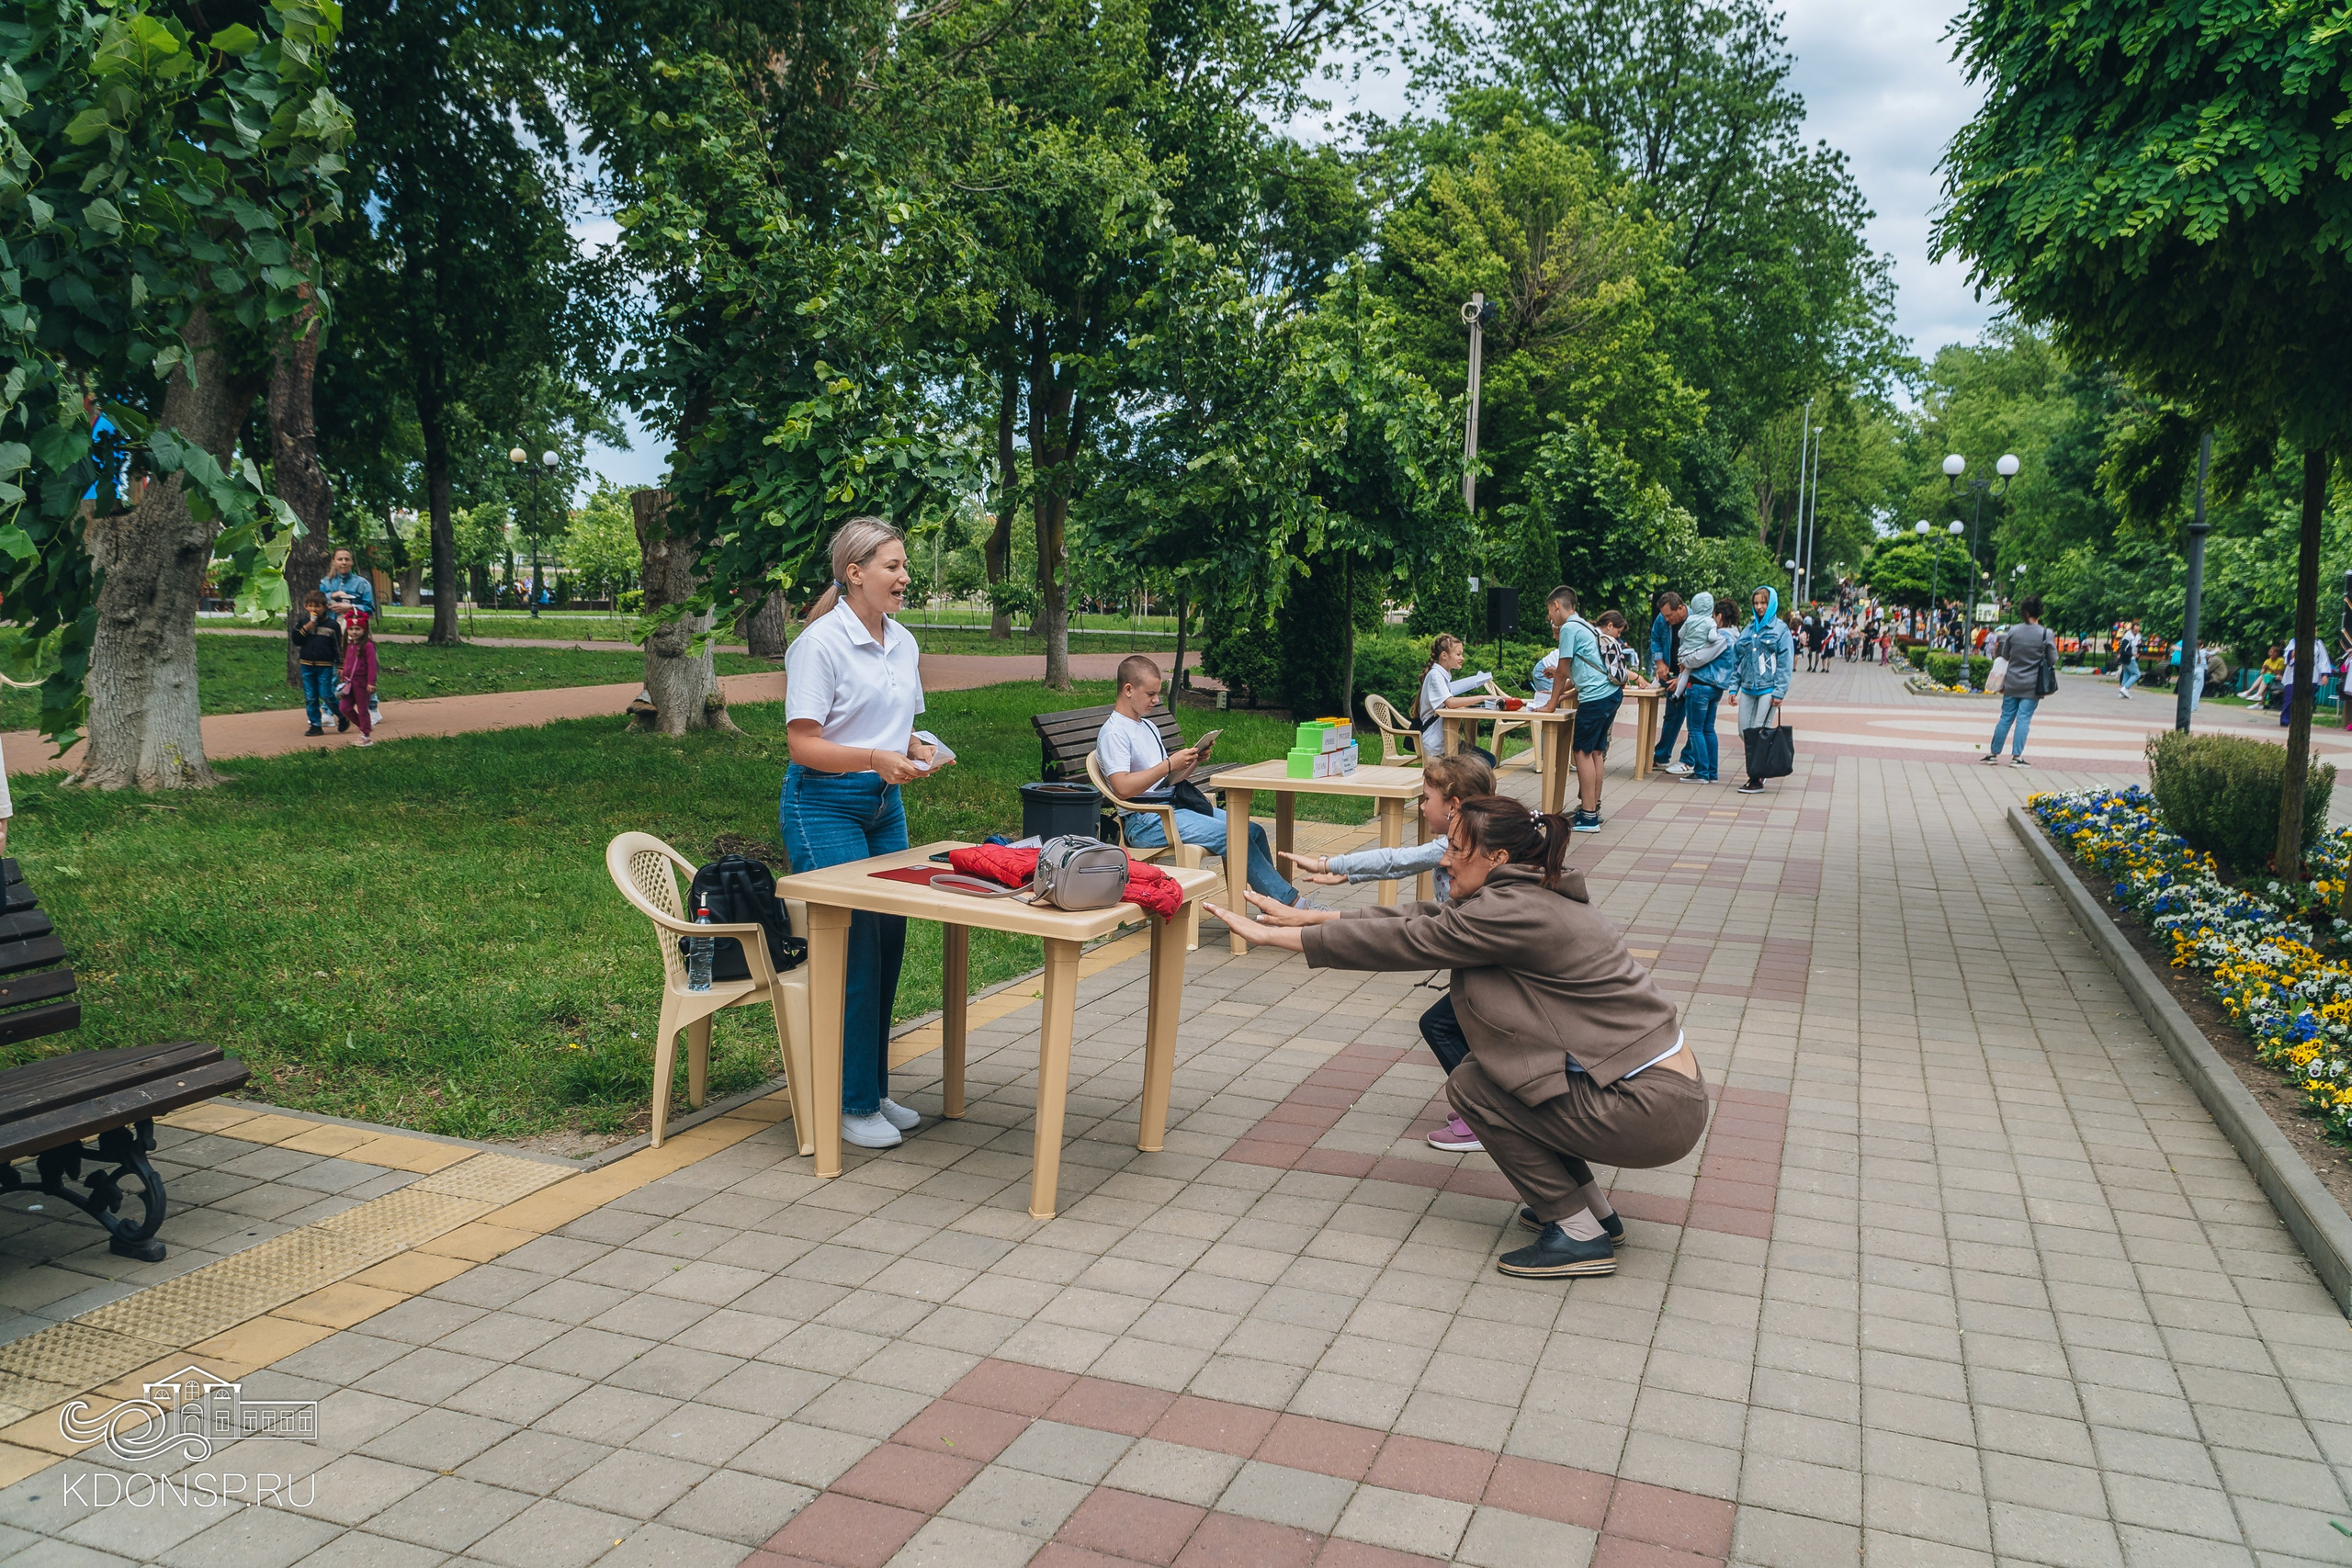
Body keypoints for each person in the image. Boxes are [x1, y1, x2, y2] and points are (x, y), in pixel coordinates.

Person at [1203, 796, 1706, 1280]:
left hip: (1653, 1110)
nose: (1444, 860)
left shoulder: (1513, 911)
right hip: (1656, 1096)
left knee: (1477, 1088)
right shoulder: (1528, 893)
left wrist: (1277, 937)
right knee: (1511, 1080)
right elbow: (1431, 920)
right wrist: (1315, 917)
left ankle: (1577, 1234)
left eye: (1457, 849)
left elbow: (1413, 940)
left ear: (1498, 857)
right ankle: (1594, 1216)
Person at [783, 517, 952, 1151]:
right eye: (892, 566)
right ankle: (850, 1103)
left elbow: (896, 726)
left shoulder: (902, 643)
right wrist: (876, 759)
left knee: (889, 938)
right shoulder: (819, 645)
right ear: (854, 572)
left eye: (905, 566)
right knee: (853, 947)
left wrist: (920, 748)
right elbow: (803, 743)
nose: (905, 576)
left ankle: (870, 1086)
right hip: (823, 803)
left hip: (884, 804)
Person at [1100, 654, 1301, 905]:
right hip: (1145, 822)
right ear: (1128, 689)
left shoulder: (1146, 725)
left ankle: (1270, 906)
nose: (1157, 700)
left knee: (1253, 831)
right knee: (1233, 834)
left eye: (1158, 693)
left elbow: (1167, 781)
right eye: (1151, 694)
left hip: (1172, 808)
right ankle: (1290, 905)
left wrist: (1194, 761)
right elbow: (1122, 788)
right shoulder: (1114, 733)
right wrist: (1168, 764)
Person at [1533, 586, 1619, 833]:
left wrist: (1551, 705)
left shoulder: (1569, 628)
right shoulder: (1586, 625)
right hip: (1610, 694)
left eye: (1550, 612)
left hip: (1594, 699)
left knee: (1581, 752)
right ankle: (1592, 809)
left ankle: (1588, 817)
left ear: (1557, 606)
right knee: (1595, 752)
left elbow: (1562, 669)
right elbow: (1577, 671)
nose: (1550, 618)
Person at [1733, 586, 1793, 795]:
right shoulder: (1748, 630)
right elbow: (1738, 661)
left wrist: (1780, 691)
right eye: (1756, 603)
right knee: (1744, 731)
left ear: (1771, 604)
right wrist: (1734, 687)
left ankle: (1756, 777)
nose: (1759, 607)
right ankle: (1762, 767)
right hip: (1749, 688)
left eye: (1763, 603)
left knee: (1759, 733)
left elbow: (1785, 664)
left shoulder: (1781, 630)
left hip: (1769, 690)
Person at [1983, 595, 2055, 766]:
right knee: (2024, 719)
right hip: (2032, 685)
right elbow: (2053, 659)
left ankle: (1993, 754)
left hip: (2012, 682)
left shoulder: (2014, 631)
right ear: (2039, 612)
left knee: (2006, 717)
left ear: (2025, 611)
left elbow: (2006, 655)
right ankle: (2017, 757)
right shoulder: (2046, 633)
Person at [1678, 593, 1737, 784]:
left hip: (1702, 684)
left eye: (1714, 616)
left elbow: (1699, 658)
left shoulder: (1721, 637)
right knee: (1708, 729)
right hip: (1716, 687)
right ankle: (1711, 772)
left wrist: (1683, 659)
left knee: (1695, 729)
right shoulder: (1737, 635)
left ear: (1719, 616)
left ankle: (1702, 772)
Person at [1418, 635, 1496, 766]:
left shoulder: (1442, 675)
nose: (1462, 658)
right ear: (1444, 655)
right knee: (1485, 763)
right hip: (1437, 745)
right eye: (1458, 654)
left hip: (1446, 740)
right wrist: (1483, 697)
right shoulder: (1435, 676)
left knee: (1489, 760)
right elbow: (1450, 703)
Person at [289, 591, 342, 737]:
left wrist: (340, 664)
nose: (314, 609)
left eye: (318, 606)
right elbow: (296, 640)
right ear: (306, 607)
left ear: (325, 607)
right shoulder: (302, 623)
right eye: (311, 606)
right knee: (311, 696)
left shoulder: (332, 625)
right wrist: (305, 629)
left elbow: (338, 646)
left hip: (325, 665)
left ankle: (342, 715)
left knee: (326, 693)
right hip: (307, 664)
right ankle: (315, 724)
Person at [1648, 592, 1690, 774]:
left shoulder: (1697, 621)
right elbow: (1655, 638)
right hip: (1671, 675)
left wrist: (1682, 678)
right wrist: (1659, 662)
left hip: (1691, 677)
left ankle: (1690, 760)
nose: (1666, 619)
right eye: (1664, 615)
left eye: (1669, 615)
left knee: (1696, 722)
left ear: (1680, 608)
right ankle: (1662, 756)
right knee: (1671, 716)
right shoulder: (1662, 619)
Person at [337, 609, 378, 747]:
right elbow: (347, 660)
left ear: (364, 629)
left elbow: (372, 665)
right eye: (351, 629)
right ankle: (364, 726)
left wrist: (371, 682)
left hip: (362, 683)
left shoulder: (368, 645)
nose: (354, 632)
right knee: (344, 707)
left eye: (358, 629)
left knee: (362, 709)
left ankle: (366, 736)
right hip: (348, 682)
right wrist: (343, 669)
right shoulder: (350, 644)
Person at [2280, 633, 2336, 728]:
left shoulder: (2318, 644)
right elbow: (2288, 657)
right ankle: (2285, 720)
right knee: (2290, 698)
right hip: (2294, 674)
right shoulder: (2294, 641)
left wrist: (2324, 675)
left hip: (2312, 674)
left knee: (2307, 698)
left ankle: (2303, 721)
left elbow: (2323, 660)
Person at [2117, 624, 2142, 697]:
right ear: (2131, 629)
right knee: (2137, 674)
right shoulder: (2127, 637)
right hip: (2129, 658)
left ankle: (2122, 693)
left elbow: (2137, 645)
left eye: (2138, 630)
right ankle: (2125, 688)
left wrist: (2139, 647)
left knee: (2126, 674)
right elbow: (2123, 650)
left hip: (2130, 657)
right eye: (2135, 630)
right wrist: (2132, 655)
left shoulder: (2138, 635)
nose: (2137, 632)